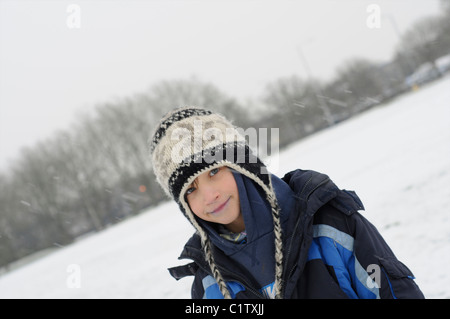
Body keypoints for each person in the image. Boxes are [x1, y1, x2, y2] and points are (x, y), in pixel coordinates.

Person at [149, 106, 424, 299]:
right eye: (191, 190)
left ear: (243, 166)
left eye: (213, 172)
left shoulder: (329, 224)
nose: (209, 196)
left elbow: (393, 292)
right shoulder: (209, 282)